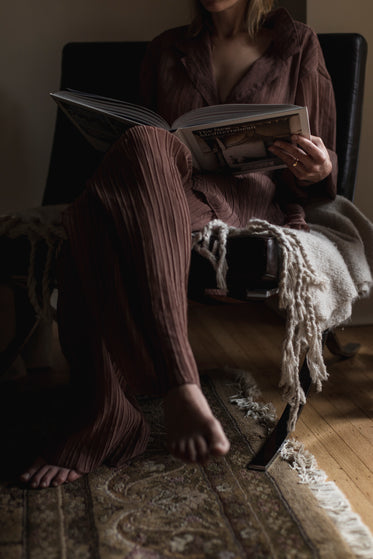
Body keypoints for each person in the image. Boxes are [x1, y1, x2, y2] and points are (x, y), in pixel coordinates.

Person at [20, 0, 335, 488]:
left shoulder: (298, 45)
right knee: (142, 146)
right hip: (167, 190)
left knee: (92, 213)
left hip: (243, 199)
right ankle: (178, 385)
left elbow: (322, 153)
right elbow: (150, 136)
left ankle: (113, 415)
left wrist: (320, 167)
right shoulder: (166, 49)